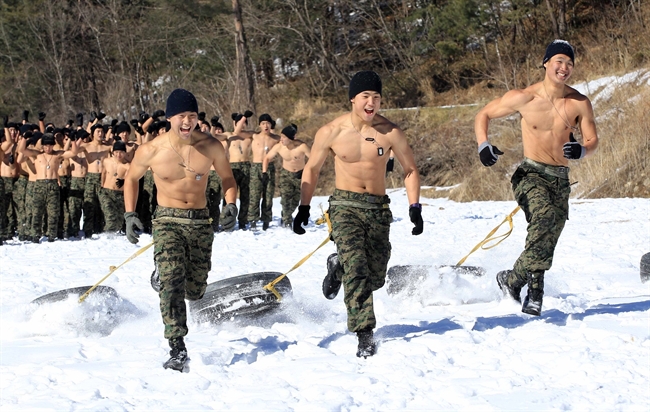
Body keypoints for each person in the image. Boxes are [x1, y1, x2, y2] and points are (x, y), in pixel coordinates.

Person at [293, 71, 423, 357]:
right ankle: (364, 333)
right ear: (353, 99)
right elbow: (312, 168)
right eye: (366, 96)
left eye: (376, 97)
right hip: (345, 206)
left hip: (377, 208)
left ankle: (337, 265)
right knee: (358, 270)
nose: (371, 103)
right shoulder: (332, 131)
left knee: (375, 276)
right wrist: (304, 206)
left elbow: (410, 170)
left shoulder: (390, 132)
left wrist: (415, 206)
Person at [474, 39, 598, 316]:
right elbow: (484, 114)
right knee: (543, 219)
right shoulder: (525, 97)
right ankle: (536, 290)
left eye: (569, 63)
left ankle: (511, 280)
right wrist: (484, 144)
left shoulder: (579, 102)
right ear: (546, 63)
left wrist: (581, 150)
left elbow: (592, 141)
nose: (564, 68)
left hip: (560, 178)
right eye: (559, 61)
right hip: (530, 173)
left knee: (548, 237)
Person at [123, 88, 237, 371]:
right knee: (173, 280)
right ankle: (177, 346)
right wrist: (129, 214)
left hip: (200, 220)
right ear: (170, 117)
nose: (187, 122)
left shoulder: (210, 146)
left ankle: (164, 276)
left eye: (193, 116)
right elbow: (131, 179)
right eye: (181, 116)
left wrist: (231, 204)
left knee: (195, 290)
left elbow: (228, 178)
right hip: (167, 220)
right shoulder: (151, 150)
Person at [17, 132, 81, 242]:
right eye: (46, 145)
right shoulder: (37, 154)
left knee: (53, 212)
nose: (48, 148)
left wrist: (73, 139)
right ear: (42, 146)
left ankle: (52, 235)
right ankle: (35, 234)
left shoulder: (57, 155)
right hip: (40, 184)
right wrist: (24, 138)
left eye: (50, 145)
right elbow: (22, 150)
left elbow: (74, 152)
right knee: (37, 211)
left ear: (53, 145)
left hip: (53, 184)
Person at [262, 123, 310, 227]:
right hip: (286, 175)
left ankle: (286, 214)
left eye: (284, 137)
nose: (281, 139)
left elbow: (313, 160)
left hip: (300, 175)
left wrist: (308, 172)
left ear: (291, 138)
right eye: (281, 136)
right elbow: (267, 158)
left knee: (295, 201)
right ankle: (287, 221)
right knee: (285, 199)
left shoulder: (302, 146)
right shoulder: (279, 147)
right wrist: (264, 172)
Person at [248, 113, 280, 230]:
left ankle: (266, 219)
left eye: (267, 123)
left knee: (268, 194)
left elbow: (290, 141)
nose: (265, 126)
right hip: (256, 166)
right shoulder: (254, 136)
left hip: (270, 167)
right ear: (259, 125)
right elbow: (237, 132)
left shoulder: (276, 139)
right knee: (254, 194)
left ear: (271, 125)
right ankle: (252, 219)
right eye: (263, 123)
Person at [99, 141, 130, 233]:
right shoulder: (106, 161)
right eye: (116, 152)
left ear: (125, 152)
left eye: (121, 152)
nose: (118, 154)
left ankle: (116, 236)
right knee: (110, 214)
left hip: (119, 194)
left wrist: (124, 180)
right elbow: (104, 173)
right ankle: (108, 235)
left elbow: (131, 180)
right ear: (113, 152)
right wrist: (102, 185)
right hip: (106, 192)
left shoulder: (128, 166)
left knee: (119, 219)